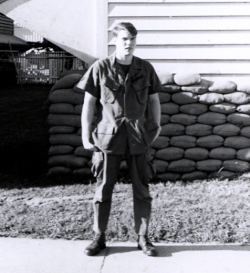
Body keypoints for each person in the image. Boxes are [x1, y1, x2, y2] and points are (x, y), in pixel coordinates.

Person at [76, 22, 162, 256]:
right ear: (115, 40)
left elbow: (154, 100)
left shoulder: (145, 68)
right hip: (107, 138)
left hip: (138, 138)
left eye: (132, 39)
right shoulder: (100, 68)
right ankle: (99, 237)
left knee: (142, 190)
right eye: (124, 39)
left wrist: (156, 126)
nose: (129, 43)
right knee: (103, 190)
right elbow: (89, 104)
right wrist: (86, 136)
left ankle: (143, 238)